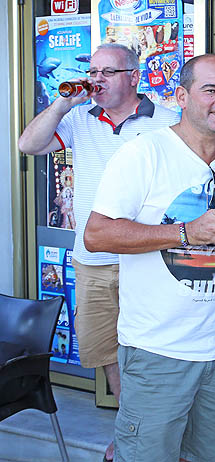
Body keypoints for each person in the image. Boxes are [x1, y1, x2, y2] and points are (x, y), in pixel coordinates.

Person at [17, 43, 180, 462]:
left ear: (134, 77)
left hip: (150, 257)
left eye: (108, 72)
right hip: (93, 259)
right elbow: (28, 145)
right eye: (93, 71)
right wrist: (61, 102)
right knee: (110, 352)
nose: (97, 79)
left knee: (155, 353)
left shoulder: (168, 121)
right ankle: (131, 435)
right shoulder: (77, 119)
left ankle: (164, 439)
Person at [83, 54, 215, 462]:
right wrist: (186, 232)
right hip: (159, 352)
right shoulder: (145, 154)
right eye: (210, 90)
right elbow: (96, 233)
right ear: (180, 96)